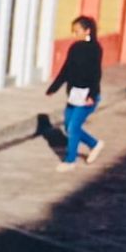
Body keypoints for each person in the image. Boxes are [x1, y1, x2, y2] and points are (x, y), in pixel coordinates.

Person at [46, 16, 104, 172]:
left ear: (87, 31)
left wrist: (92, 95)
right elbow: (66, 69)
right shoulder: (74, 48)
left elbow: (96, 73)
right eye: (73, 31)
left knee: (73, 127)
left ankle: (70, 161)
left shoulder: (95, 49)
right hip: (74, 94)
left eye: (76, 31)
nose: (74, 34)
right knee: (68, 126)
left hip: (88, 96)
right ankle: (95, 144)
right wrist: (54, 87)